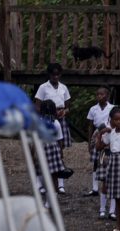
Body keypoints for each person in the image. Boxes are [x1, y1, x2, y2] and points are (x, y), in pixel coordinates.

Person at [34, 63, 72, 194]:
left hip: (60, 119)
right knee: (42, 154)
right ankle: (41, 184)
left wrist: (64, 112)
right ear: (49, 74)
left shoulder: (64, 88)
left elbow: (67, 106)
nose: (55, 76)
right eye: (53, 74)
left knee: (59, 151)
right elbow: (37, 106)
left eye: (58, 74)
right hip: (47, 119)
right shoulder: (43, 87)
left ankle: (60, 184)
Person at [85, 87, 114, 198]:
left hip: (108, 133)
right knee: (96, 161)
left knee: (107, 159)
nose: (99, 96)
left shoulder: (112, 108)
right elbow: (90, 126)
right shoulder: (93, 109)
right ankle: (95, 188)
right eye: (97, 94)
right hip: (97, 134)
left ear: (107, 95)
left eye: (102, 94)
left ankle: (107, 186)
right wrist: (89, 142)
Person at [36, 100, 66, 203]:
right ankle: (53, 199)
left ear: (41, 110)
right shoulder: (56, 123)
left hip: (42, 150)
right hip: (54, 149)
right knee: (54, 177)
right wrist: (61, 153)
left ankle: (46, 198)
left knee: (44, 176)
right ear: (54, 111)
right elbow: (60, 140)